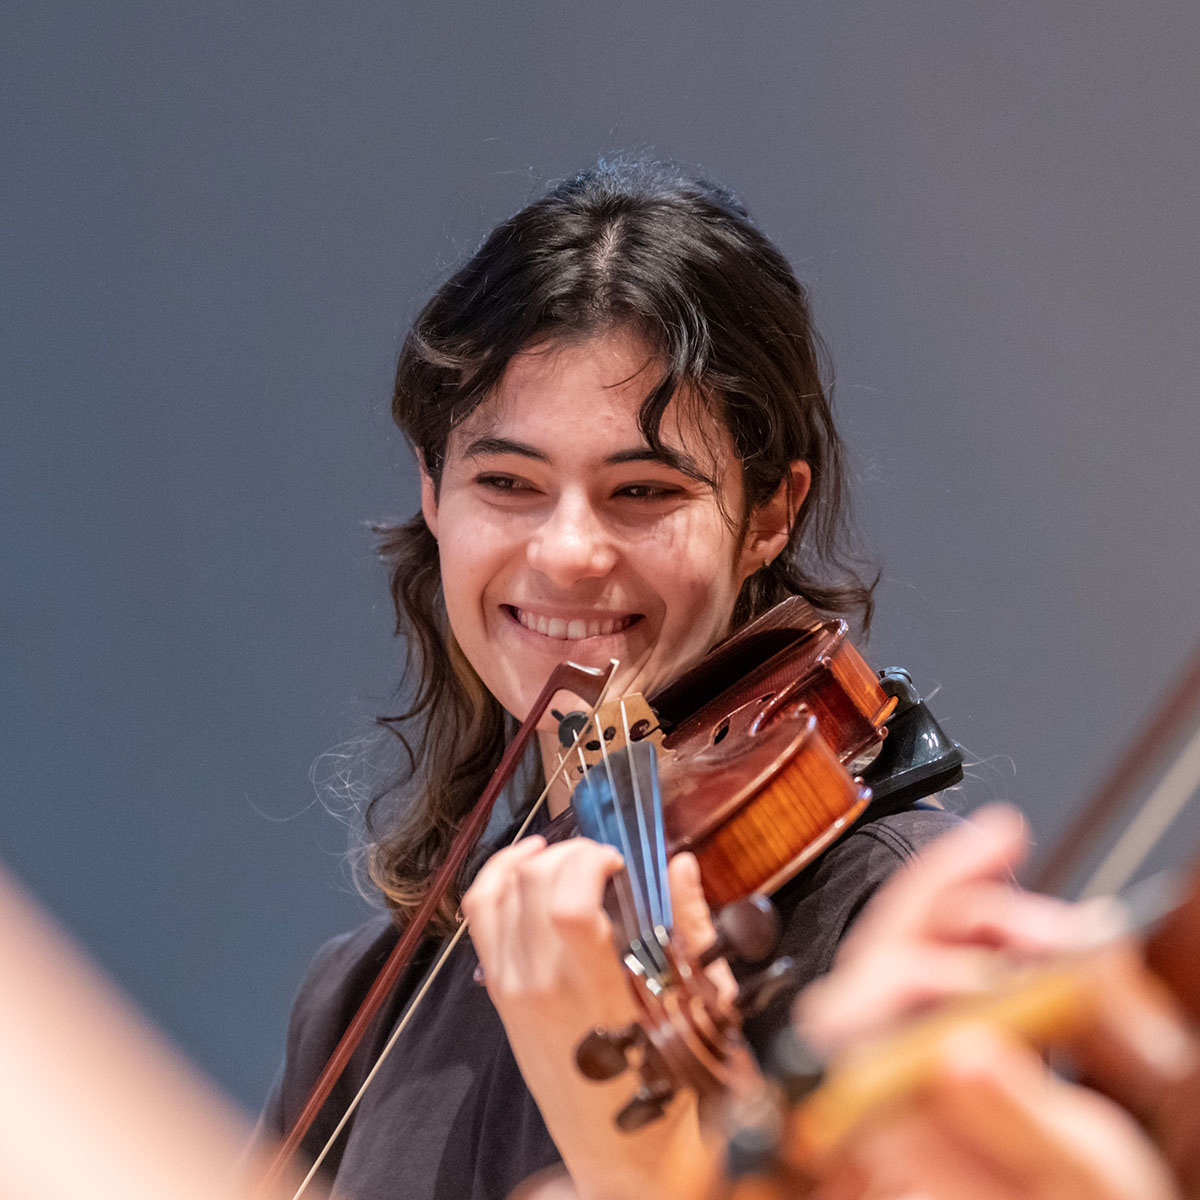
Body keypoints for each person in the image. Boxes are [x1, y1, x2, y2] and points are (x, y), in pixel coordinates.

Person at [260, 158, 964, 1200]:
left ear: (769, 511)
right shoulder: (364, 998)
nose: (569, 552)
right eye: (507, 482)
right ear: (433, 492)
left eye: (642, 490)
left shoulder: (884, 923)